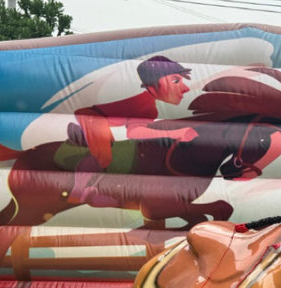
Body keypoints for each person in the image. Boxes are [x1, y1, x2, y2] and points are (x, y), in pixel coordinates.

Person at [64, 55, 197, 205]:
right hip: (93, 117)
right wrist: (174, 134)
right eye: (175, 80)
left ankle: (93, 190)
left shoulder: (146, 102)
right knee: (103, 156)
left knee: (111, 155)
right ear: (153, 85)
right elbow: (134, 133)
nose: (185, 88)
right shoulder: (146, 105)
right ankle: (77, 193)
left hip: (100, 119)